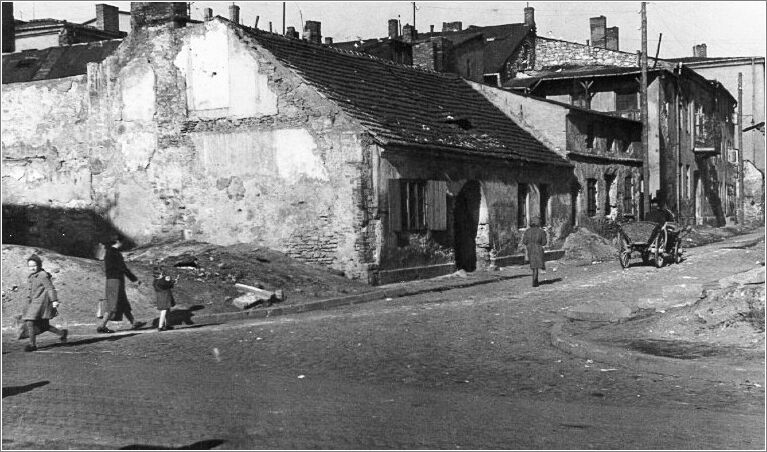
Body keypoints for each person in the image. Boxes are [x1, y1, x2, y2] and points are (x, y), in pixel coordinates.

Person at [97, 235, 143, 333]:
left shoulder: (109, 252)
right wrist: (134, 279)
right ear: (118, 242)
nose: (123, 244)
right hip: (115, 281)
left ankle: (133, 322)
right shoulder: (115, 253)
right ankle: (102, 326)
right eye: (122, 242)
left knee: (123, 302)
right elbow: (123, 268)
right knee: (112, 305)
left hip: (113, 280)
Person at [21, 254, 68, 351]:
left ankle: (32, 345)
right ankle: (62, 333)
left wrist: (54, 300)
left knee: (30, 322)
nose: (32, 268)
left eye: (34, 265)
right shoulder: (31, 276)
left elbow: (50, 288)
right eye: (30, 266)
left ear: (39, 265)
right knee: (44, 326)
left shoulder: (43, 275)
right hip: (33, 303)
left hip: (40, 303)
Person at [522, 217, 548, 287]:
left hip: (530, 249)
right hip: (538, 249)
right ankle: (535, 280)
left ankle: (535, 280)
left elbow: (524, 241)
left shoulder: (527, 231)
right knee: (536, 264)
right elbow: (544, 243)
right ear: (538, 223)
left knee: (533, 265)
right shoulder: (541, 231)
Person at [152, 267, 177, 332]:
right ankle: (160, 327)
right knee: (164, 311)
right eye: (161, 273)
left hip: (164, 296)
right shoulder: (158, 282)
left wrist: (171, 282)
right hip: (163, 297)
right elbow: (166, 285)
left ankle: (167, 325)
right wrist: (171, 282)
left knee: (167, 310)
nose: (163, 274)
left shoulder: (156, 280)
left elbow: (167, 284)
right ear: (158, 274)